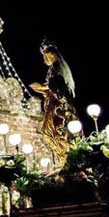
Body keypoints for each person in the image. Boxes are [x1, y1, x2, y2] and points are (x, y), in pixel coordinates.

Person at [30, 38, 77, 166]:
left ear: (51, 54)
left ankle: (66, 158)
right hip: (52, 105)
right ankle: (63, 158)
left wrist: (42, 87)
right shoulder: (53, 69)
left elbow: (56, 85)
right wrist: (42, 89)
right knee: (49, 132)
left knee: (53, 131)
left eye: (45, 56)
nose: (44, 59)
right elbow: (52, 87)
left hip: (57, 107)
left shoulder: (57, 67)